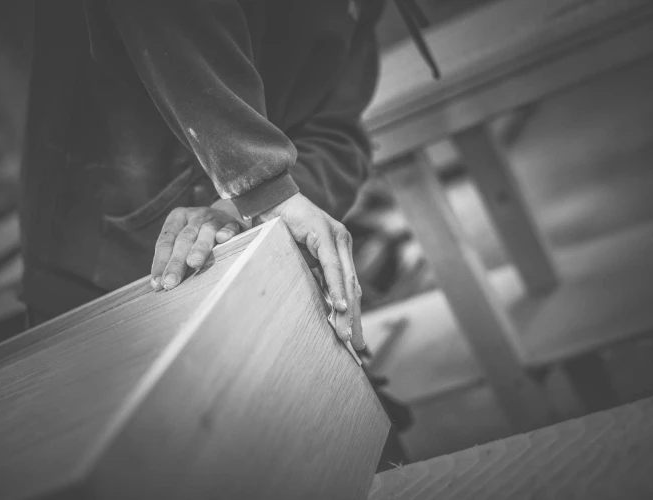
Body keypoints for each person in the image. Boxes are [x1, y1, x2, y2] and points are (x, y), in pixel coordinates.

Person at [19, 0, 390, 356]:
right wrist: (261, 185)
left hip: (240, 248)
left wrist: (250, 201)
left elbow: (335, 129)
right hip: (97, 258)